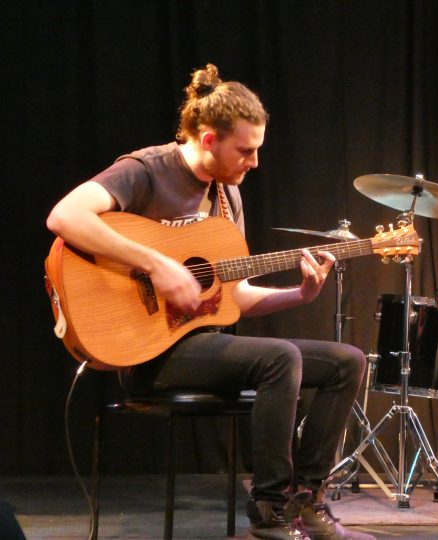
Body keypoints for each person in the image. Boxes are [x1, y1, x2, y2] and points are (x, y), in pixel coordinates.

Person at [47, 64, 374, 540]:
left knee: (348, 361)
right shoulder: (146, 170)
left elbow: (233, 299)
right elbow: (65, 215)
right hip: (146, 352)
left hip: (203, 347)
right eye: (245, 150)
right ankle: (270, 510)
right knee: (279, 358)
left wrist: (298, 294)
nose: (254, 162)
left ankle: (308, 498)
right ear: (207, 139)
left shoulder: (226, 198)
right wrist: (156, 264)